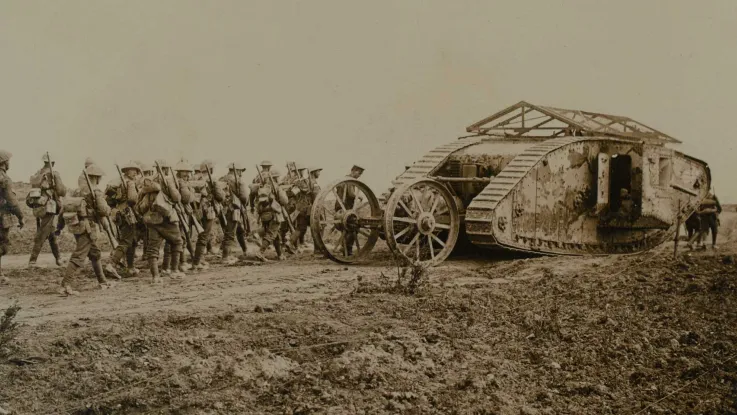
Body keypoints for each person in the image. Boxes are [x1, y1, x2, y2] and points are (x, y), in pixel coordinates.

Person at [59, 163, 121, 295]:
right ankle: (65, 284)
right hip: (88, 227)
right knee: (79, 255)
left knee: (95, 253)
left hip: (78, 225)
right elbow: (103, 210)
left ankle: (102, 281)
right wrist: (109, 209)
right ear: (96, 178)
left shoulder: (77, 191)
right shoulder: (95, 191)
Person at [135, 159, 184, 283]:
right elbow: (177, 198)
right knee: (177, 242)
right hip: (167, 218)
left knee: (152, 249)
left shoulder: (148, 182)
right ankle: (174, 271)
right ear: (166, 169)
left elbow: (138, 200)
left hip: (151, 219)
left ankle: (155, 277)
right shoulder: (167, 181)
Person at [27, 153, 67, 268]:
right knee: (43, 233)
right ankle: (32, 261)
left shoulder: (37, 174)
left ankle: (58, 258)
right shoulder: (53, 174)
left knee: (50, 233)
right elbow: (61, 191)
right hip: (49, 207)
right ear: (53, 163)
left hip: (38, 206)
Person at [105, 161, 142, 277]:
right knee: (126, 241)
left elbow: (108, 200)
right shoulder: (129, 183)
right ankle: (111, 264)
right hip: (128, 215)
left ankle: (130, 267)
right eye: (133, 170)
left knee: (132, 240)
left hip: (120, 214)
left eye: (136, 170)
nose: (135, 172)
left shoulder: (116, 182)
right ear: (127, 171)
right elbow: (133, 200)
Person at [192, 160, 226, 270]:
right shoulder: (212, 180)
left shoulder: (195, 179)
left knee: (202, 236)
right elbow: (220, 196)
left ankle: (199, 259)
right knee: (204, 236)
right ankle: (197, 262)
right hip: (208, 211)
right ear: (211, 169)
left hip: (196, 210)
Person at [253, 169, 289, 262]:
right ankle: (260, 252)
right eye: (278, 177)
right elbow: (285, 201)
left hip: (264, 215)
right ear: (275, 178)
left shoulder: (262, 188)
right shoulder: (276, 187)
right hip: (274, 214)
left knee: (275, 235)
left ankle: (280, 254)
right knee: (271, 234)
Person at [0, 151, 25, 283]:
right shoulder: (4, 179)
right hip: (1, 217)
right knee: (2, 246)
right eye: (8, 161)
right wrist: (21, 217)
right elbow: (12, 202)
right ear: (4, 163)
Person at [219, 162, 250, 264]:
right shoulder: (238, 181)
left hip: (223, 209)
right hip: (234, 209)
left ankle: (245, 250)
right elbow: (244, 196)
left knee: (239, 230)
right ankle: (225, 257)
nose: (241, 173)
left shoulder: (222, 179)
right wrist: (244, 204)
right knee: (230, 232)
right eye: (240, 171)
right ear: (236, 170)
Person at [335, 165, 364, 256]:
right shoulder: (350, 181)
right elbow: (351, 194)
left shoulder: (343, 180)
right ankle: (347, 249)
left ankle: (344, 248)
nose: (359, 175)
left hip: (339, 207)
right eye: (359, 173)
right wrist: (359, 196)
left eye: (361, 173)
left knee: (345, 229)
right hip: (347, 207)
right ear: (353, 171)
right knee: (353, 227)